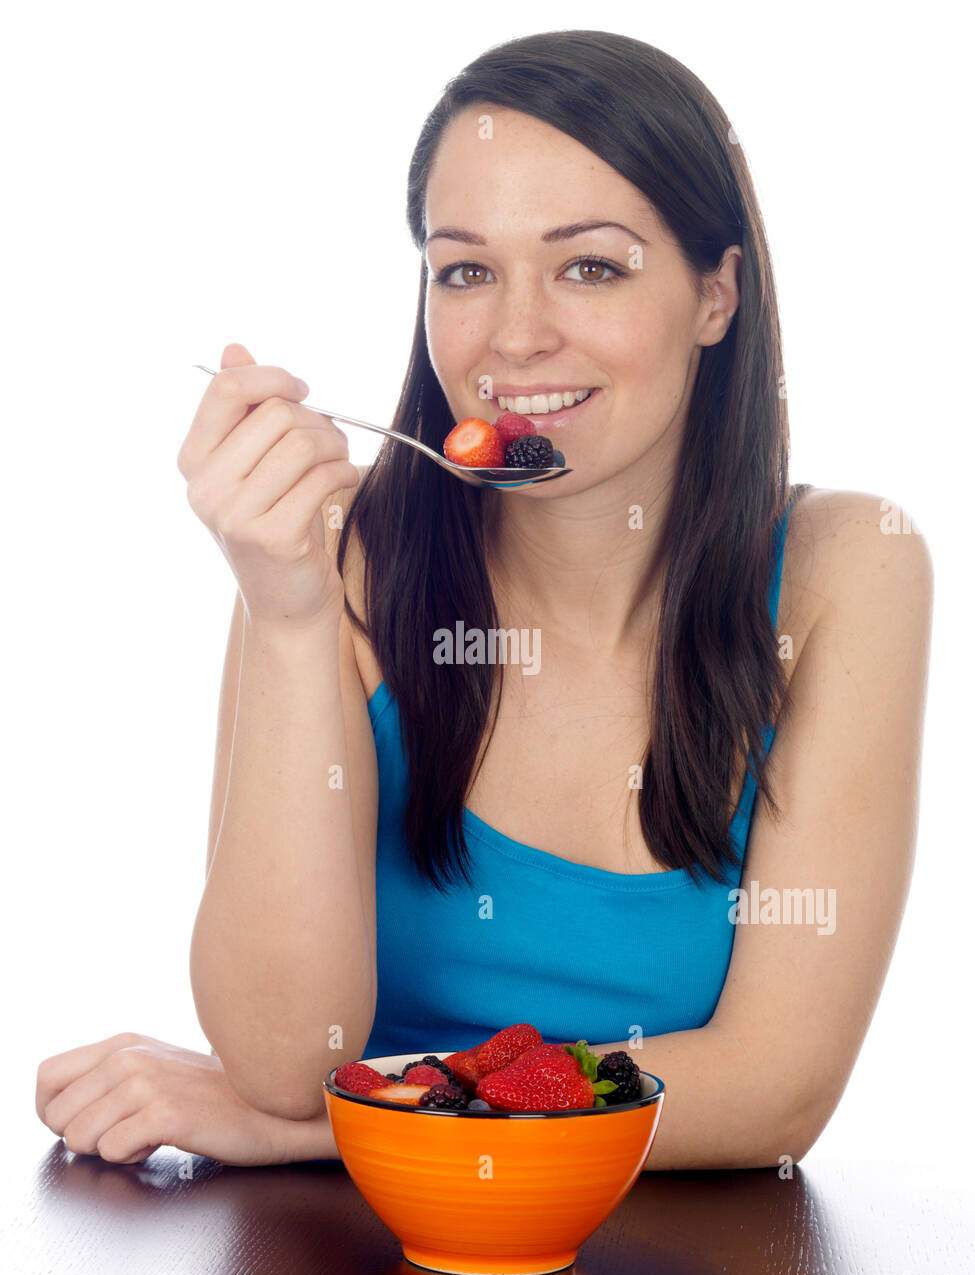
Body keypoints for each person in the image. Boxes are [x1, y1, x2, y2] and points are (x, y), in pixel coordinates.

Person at [35, 30, 932, 1171]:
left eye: (590, 266)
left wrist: (332, 1125)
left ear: (718, 294)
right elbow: (273, 1056)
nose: (513, 338)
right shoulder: (335, 553)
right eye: (465, 270)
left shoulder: (849, 565)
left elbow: (770, 1095)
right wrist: (293, 612)